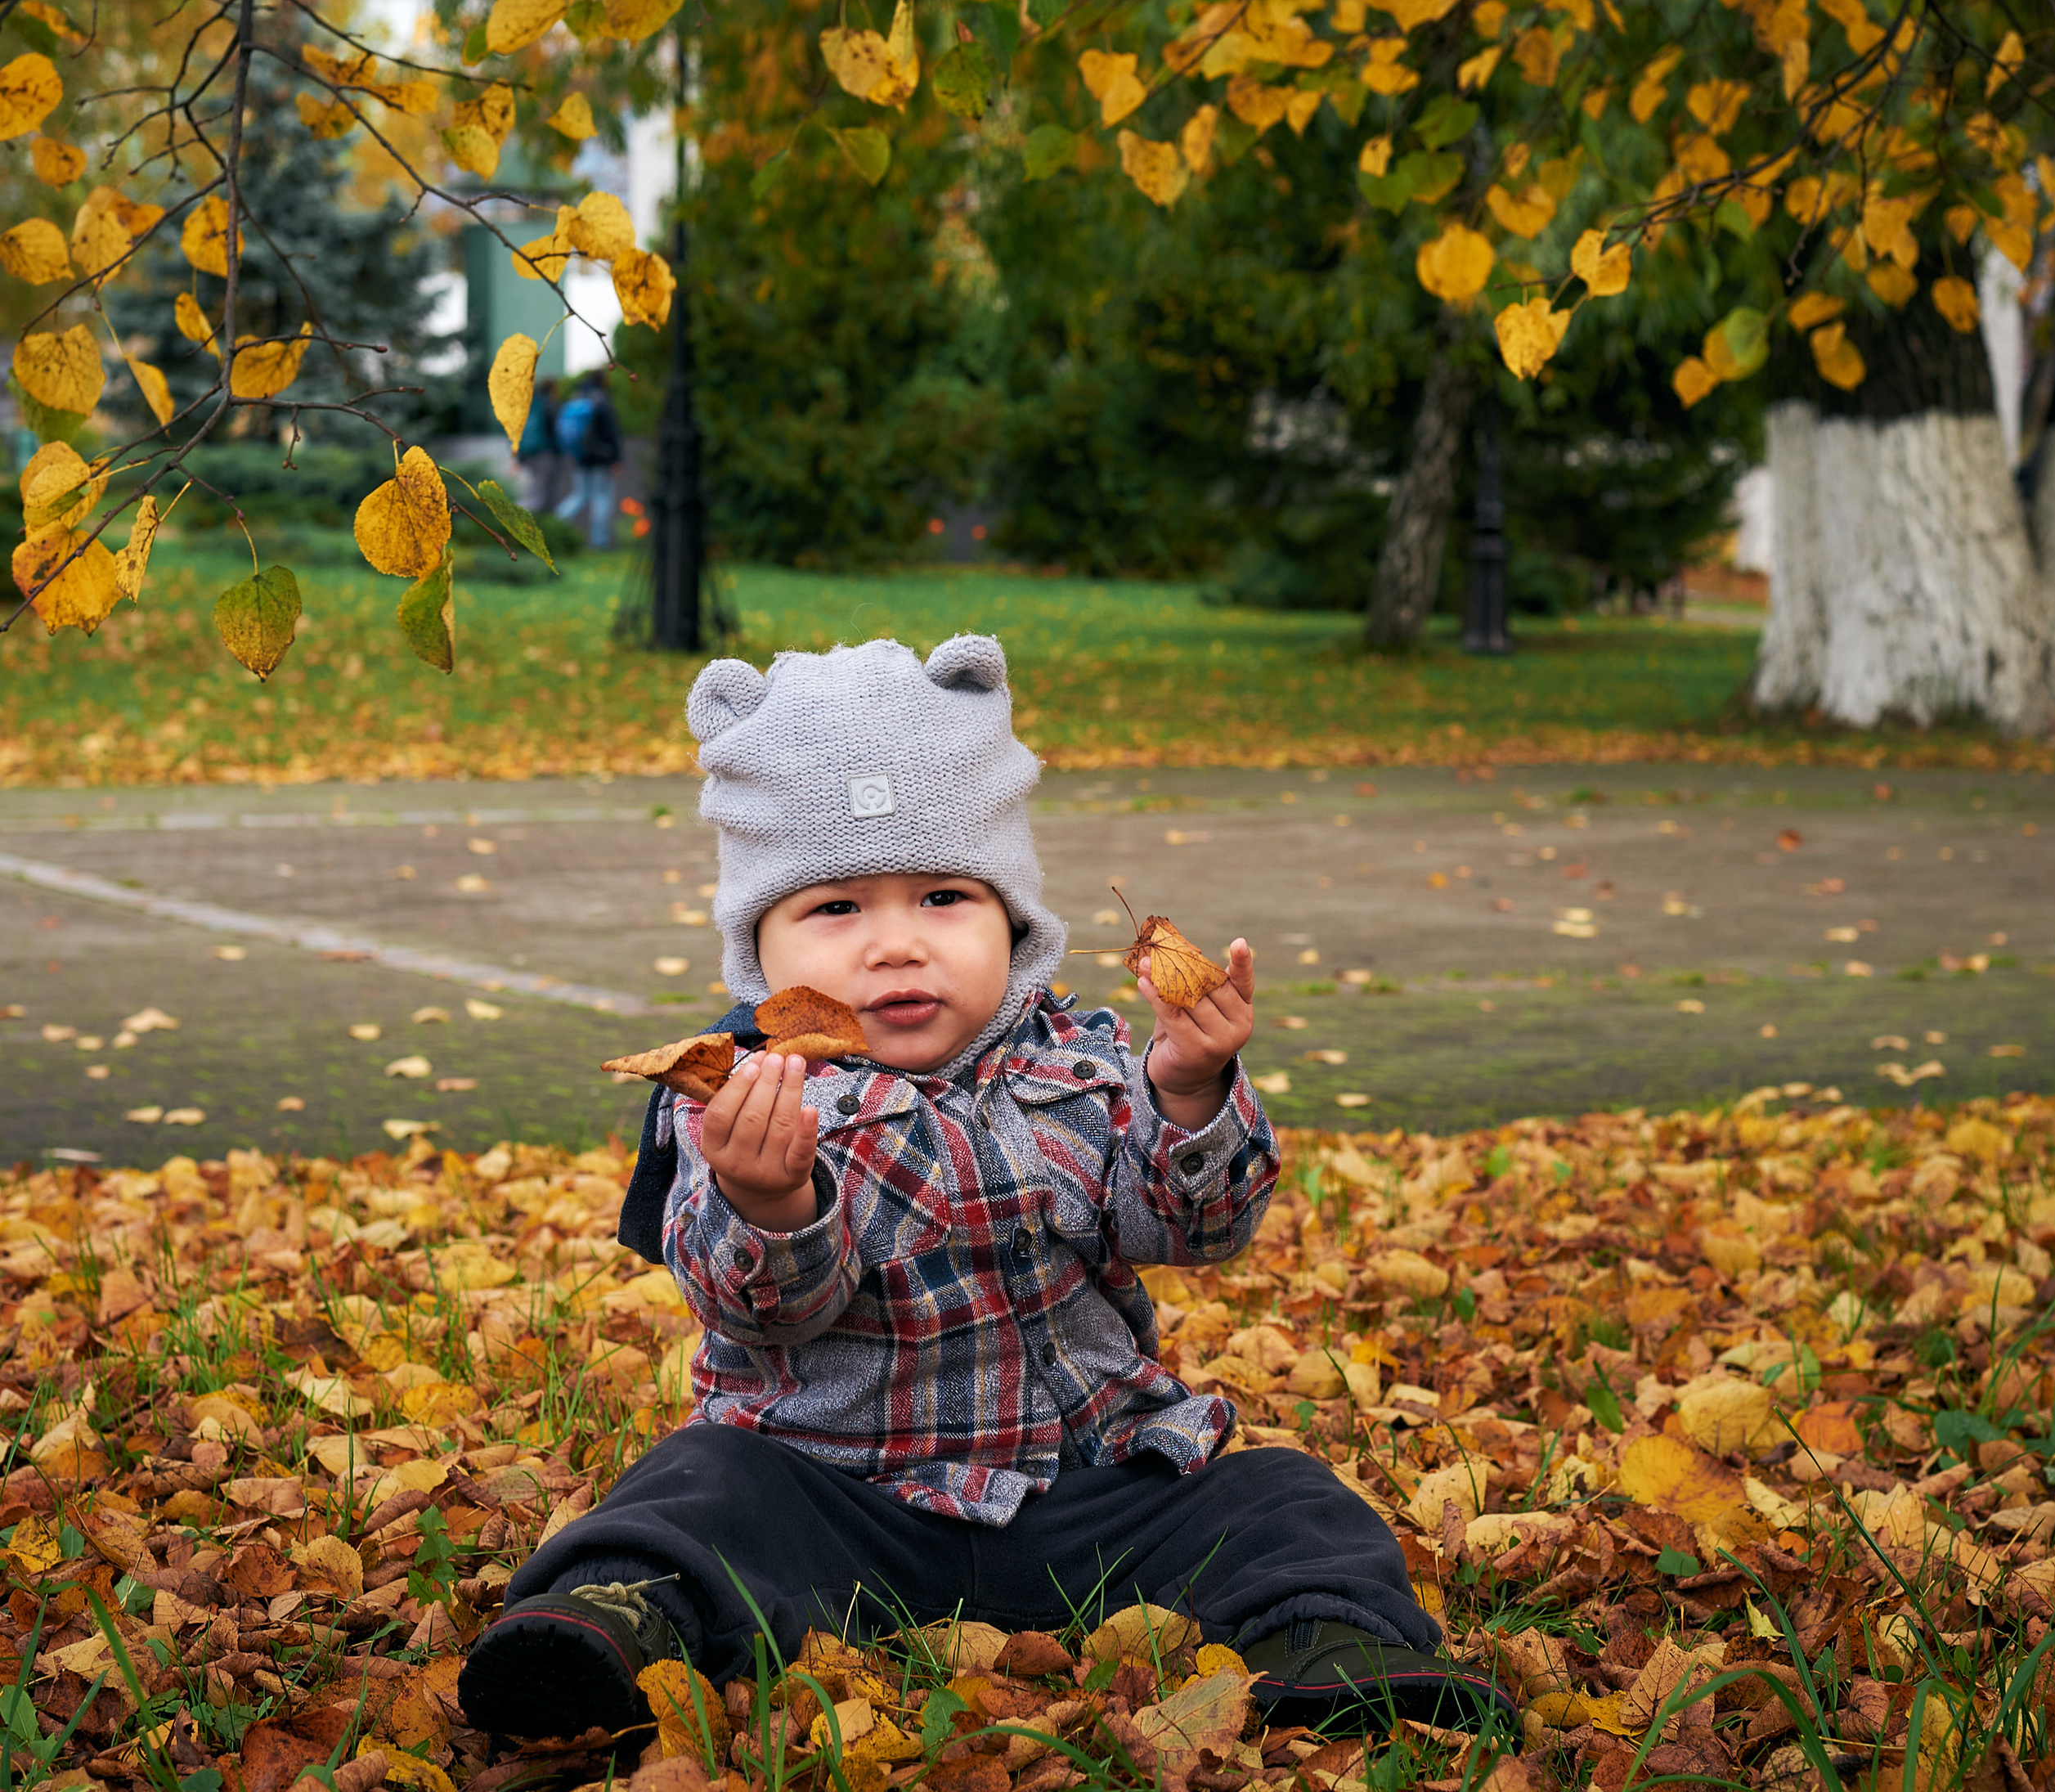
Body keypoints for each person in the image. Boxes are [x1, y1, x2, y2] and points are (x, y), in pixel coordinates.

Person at [458, 636, 1514, 1746]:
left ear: (1011, 921)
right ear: (757, 948)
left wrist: (1189, 1094)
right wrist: (771, 1207)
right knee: (700, 1484)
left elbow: (1195, 1229)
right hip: (842, 1500)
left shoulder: (1086, 1065)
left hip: (1084, 1490)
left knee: (1285, 1498)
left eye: (944, 896)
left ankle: (1333, 1642)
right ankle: (608, 1627)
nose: (897, 944)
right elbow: (757, 1315)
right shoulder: (738, 1095)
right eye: (836, 910)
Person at [553, 371, 622, 548]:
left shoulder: (577, 399)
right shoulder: (601, 400)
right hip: (602, 459)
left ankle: (553, 525)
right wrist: (616, 458)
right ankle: (600, 542)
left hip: (581, 458)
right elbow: (610, 432)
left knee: (580, 495)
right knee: (602, 498)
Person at [514, 375, 563, 516]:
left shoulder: (530, 405)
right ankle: (521, 522)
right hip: (545, 453)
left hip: (529, 453)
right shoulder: (548, 406)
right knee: (540, 493)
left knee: (534, 489)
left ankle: (526, 520)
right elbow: (555, 432)